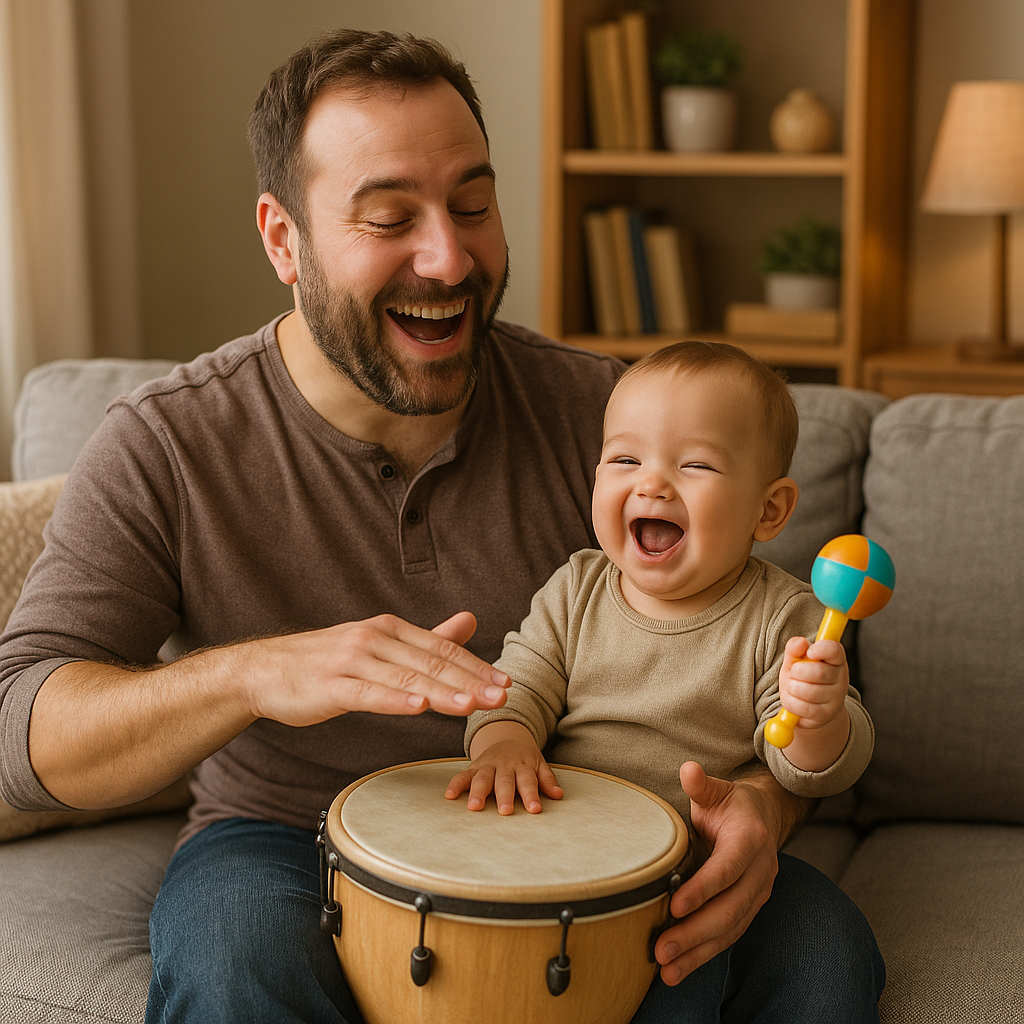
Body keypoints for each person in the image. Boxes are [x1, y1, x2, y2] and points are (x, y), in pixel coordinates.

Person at [0, 28, 883, 1024]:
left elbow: (786, 672)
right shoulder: (169, 442)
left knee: (821, 951)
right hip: (287, 838)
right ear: (282, 238)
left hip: (577, 822)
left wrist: (769, 805)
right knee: (231, 962)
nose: (449, 256)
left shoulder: (613, 424)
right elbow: (25, 732)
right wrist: (257, 673)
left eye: (473, 204)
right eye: (389, 216)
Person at [448, 340, 874, 824]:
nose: (652, 484)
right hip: (562, 837)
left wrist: (817, 719)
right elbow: (512, 692)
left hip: (700, 852)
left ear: (769, 509)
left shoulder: (785, 619)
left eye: (695, 465)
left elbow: (813, 772)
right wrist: (504, 747)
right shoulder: (575, 591)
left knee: (825, 907)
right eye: (625, 461)